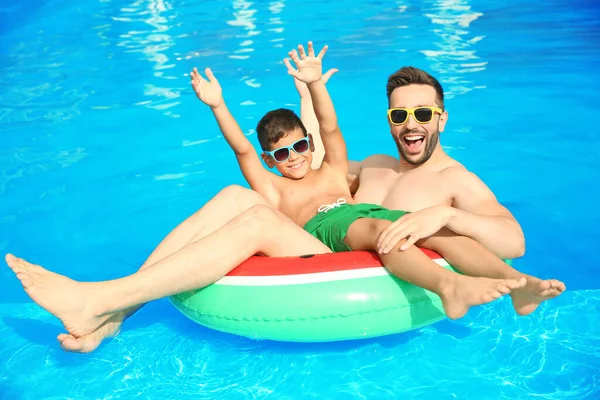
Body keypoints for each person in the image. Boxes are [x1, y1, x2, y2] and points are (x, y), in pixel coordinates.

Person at [5, 44, 564, 354]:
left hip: (365, 241)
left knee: (256, 218)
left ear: (441, 118)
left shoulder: (456, 179)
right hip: (324, 234)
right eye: (401, 114)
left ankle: (101, 299)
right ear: (390, 119)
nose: (410, 123)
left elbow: (512, 238)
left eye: (422, 114)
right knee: (234, 195)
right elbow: (320, 157)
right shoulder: (368, 165)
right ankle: (115, 313)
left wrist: (444, 211)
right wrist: (301, 93)